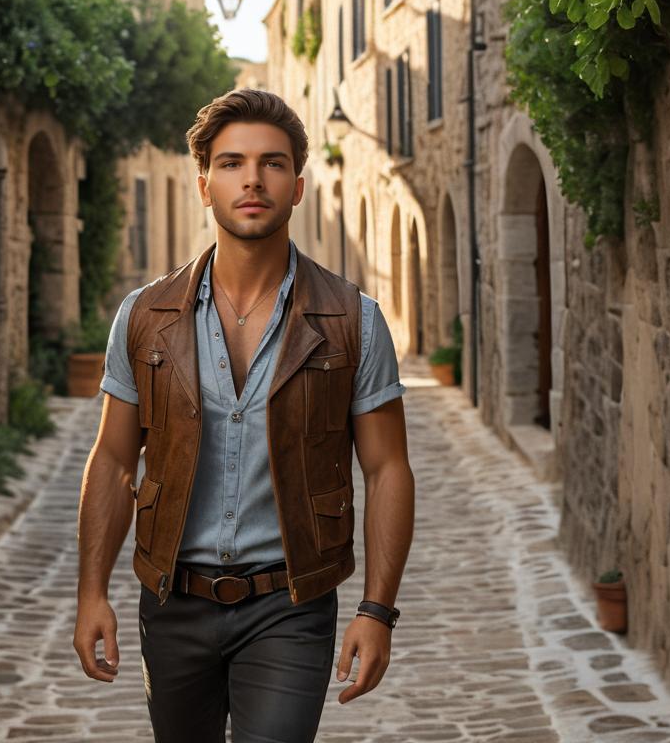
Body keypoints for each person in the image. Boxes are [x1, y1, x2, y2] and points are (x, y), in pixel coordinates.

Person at [73, 88, 415, 743]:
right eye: (231, 164)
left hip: (291, 607)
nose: (252, 179)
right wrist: (92, 592)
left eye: (272, 163)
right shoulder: (145, 317)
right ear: (204, 185)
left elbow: (387, 466)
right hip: (172, 604)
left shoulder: (353, 321)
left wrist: (377, 610)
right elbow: (113, 460)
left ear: (298, 187)